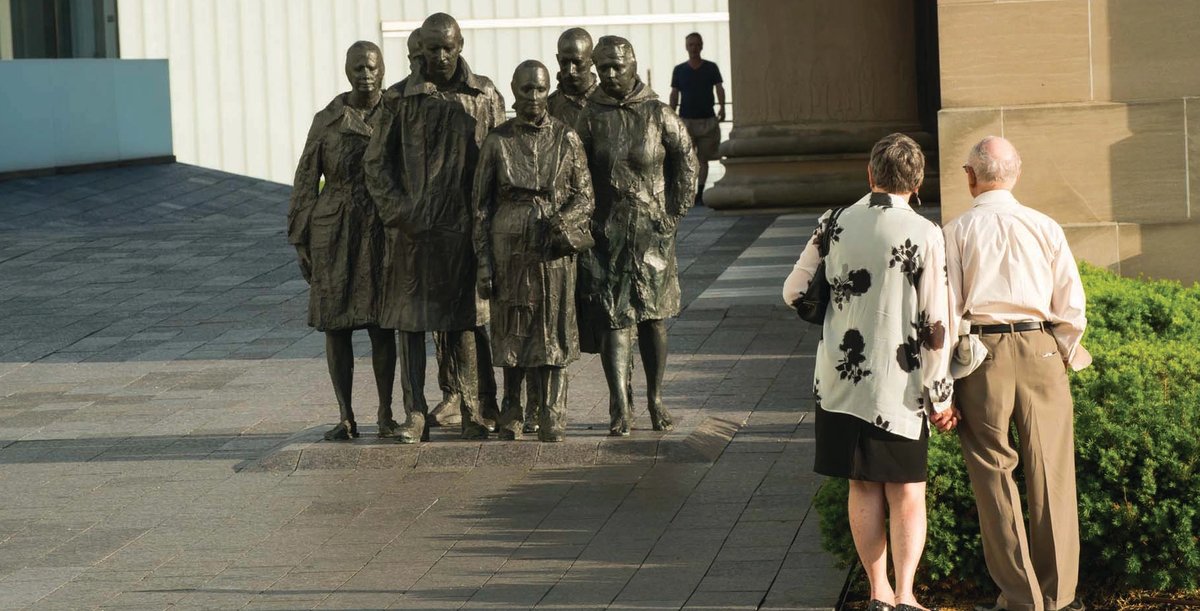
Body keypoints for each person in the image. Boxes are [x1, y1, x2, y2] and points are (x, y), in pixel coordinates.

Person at [782, 133, 957, 611]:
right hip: (896, 386)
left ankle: (876, 591)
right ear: (918, 182)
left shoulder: (832, 221)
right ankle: (905, 595)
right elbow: (936, 323)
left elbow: (793, 291)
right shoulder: (924, 233)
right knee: (907, 492)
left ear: (870, 174)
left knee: (861, 484)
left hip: (839, 380)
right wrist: (940, 396)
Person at [945, 137, 1089, 611]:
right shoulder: (1045, 226)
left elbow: (945, 313)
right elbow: (1071, 303)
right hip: (1043, 347)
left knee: (993, 475)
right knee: (1053, 474)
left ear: (971, 175)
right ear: (1017, 172)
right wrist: (1063, 350)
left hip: (981, 353)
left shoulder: (957, 230)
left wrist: (941, 385)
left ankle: (1020, 598)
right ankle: (1059, 596)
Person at [364, 13, 506, 443]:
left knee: (464, 322)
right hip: (412, 234)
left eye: (448, 47)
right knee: (410, 325)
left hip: (465, 231)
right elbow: (376, 163)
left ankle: (471, 408)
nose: (441, 56)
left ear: (460, 45)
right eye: (432, 48)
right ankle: (415, 412)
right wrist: (400, 212)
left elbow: (502, 160)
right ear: (419, 49)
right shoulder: (397, 100)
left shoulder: (484, 95)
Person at [575, 35, 698, 436]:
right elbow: (575, 173)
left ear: (633, 64)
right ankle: (620, 405)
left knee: (653, 319)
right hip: (607, 235)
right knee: (614, 319)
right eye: (604, 67)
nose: (611, 74)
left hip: (652, 233)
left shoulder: (658, 113)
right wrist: (588, 220)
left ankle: (655, 398)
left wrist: (673, 214)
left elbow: (687, 161)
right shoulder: (590, 117)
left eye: (618, 66)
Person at [473, 60, 595, 442]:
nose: (533, 97)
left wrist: (563, 220)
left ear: (548, 91)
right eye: (526, 89)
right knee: (512, 328)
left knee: (554, 329)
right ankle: (512, 409)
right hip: (508, 243)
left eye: (540, 89)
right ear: (514, 91)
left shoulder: (566, 138)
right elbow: (480, 206)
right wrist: (484, 262)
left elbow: (585, 195)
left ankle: (552, 411)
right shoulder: (498, 141)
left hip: (553, 247)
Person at [287, 41, 399, 441]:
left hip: (380, 227)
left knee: (382, 324)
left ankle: (387, 413)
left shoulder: (398, 112)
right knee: (336, 325)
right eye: (357, 68)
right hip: (333, 229)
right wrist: (299, 237)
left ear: (382, 69)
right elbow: (305, 178)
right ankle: (346, 415)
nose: (364, 75)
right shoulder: (328, 119)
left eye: (370, 67)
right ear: (346, 71)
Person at [669, 32, 725, 205]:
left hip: (707, 119)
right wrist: (671, 114)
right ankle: (687, 191)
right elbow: (674, 93)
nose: (694, 48)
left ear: (701, 46)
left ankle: (700, 192)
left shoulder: (711, 68)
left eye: (696, 44)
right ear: (686, 47)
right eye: (691, 44)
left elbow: (719, 88)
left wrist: (722, 106)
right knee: (686, 157)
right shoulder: (679, 70)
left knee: (704, 158)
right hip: (686, 119)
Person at [547, 27, 598, 128]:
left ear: (592, 59)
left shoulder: (607, 103)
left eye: (578, 62)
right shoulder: (548, 106)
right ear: (558, 59)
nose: (570, 70)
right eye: (564, 62)